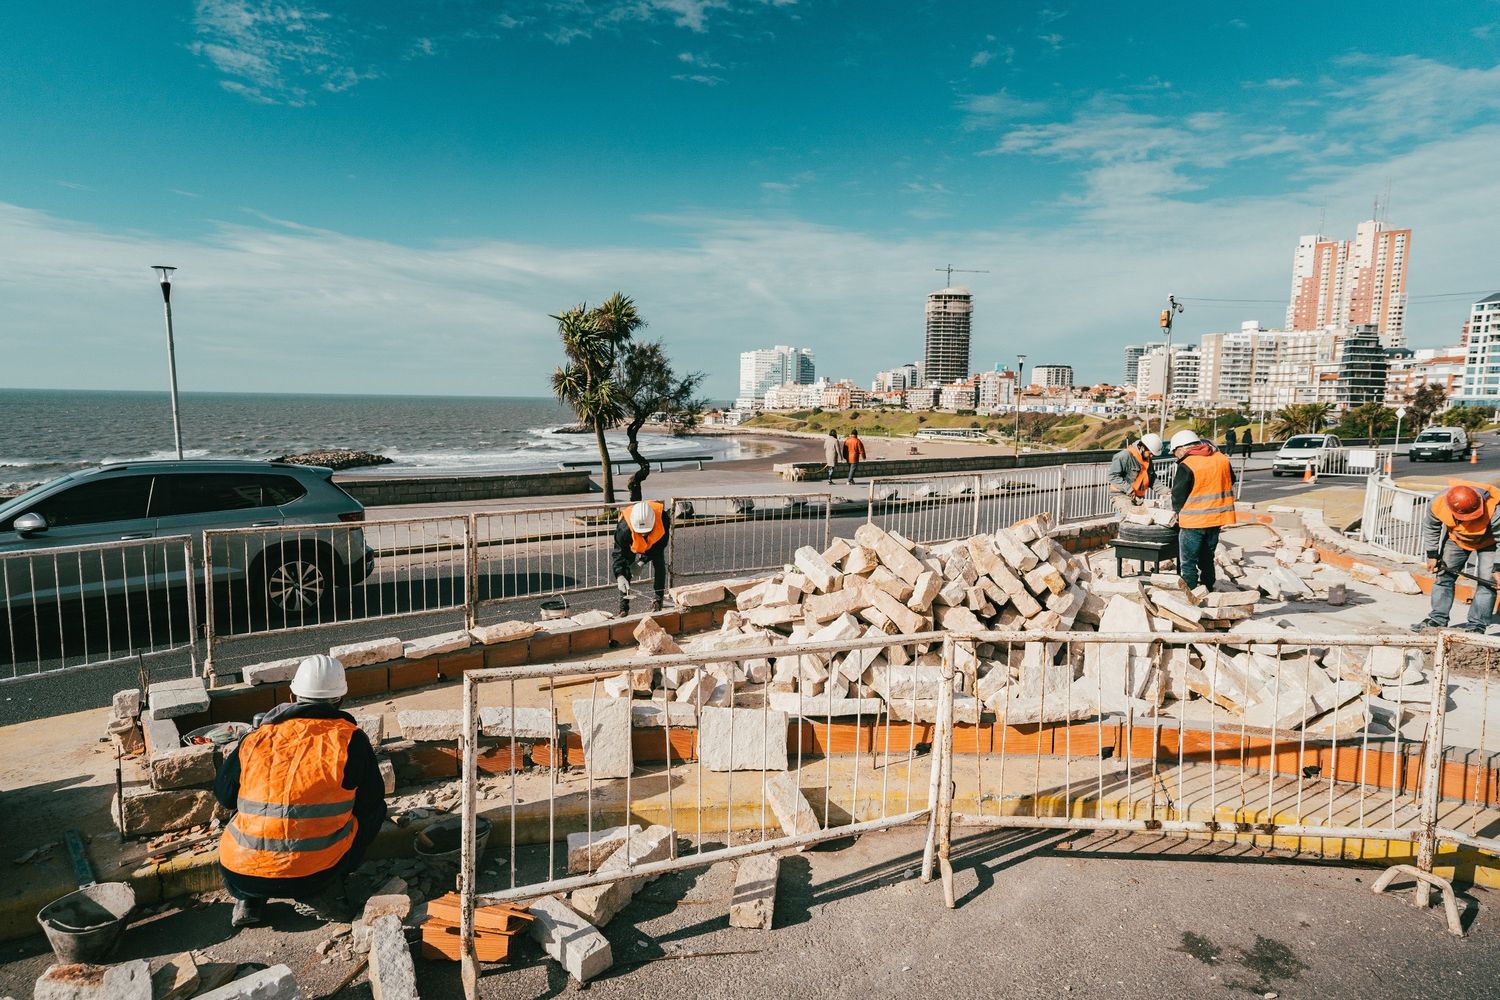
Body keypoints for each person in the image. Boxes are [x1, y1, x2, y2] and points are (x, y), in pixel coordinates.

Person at [217, 655, 387, 929]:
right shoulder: (350, 740)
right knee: (376, 811)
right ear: (341, 699)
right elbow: (370, 802)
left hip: (241, 873)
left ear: (292, 695)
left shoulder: (255, 738)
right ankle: (326, 891)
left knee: (243, 807)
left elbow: (224, 796)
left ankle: (249, 900)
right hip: (315, 873)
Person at [1413, 482, 1500, 633]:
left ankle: (1476, 626)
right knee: (1444, 577)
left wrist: (1498, 568)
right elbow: (1431, 527)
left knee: (1488, 583)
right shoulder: (1438, 503)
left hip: (1489, 542)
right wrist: (1432, 554)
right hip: (1456, 540)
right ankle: (1437, 619)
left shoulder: (1494, 508)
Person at [1168, 429, 1236, 590]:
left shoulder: (1188, 464)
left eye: (1175, 453)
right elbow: (1231, 480)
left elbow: (1178, 495)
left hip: (1193, 521)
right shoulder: (1222, 459)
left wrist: (1176, 513)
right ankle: (1208, 588)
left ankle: (1191, 595)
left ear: (1182, 448)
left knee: (1188, 562)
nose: (1176, 457)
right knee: (1207, 558)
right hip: (1217, 519)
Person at [615, 499, 671, 613]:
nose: (643, 535)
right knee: (626, 569)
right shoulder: (624, 528)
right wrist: (619, 575)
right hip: (633, 541)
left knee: (659, 564)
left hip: (655, 542)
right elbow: (619, 554)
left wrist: (642, 561)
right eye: (641, 532)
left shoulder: (663, 518)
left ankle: (658, 600)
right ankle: (623, 609)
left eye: (646, 532)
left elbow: (661, 545)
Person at [1106, 432, 1163, 516]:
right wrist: (1129, 489)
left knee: (1144, 516)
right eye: (1150, 453)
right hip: (1122, 495)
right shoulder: (1124, 456)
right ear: (1143, 448)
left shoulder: (1147, 459)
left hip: (1137, 497)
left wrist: (1166, 491)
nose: (1151, 457)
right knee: (1130, 515)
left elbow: (1152, 479)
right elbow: (1112, 476)